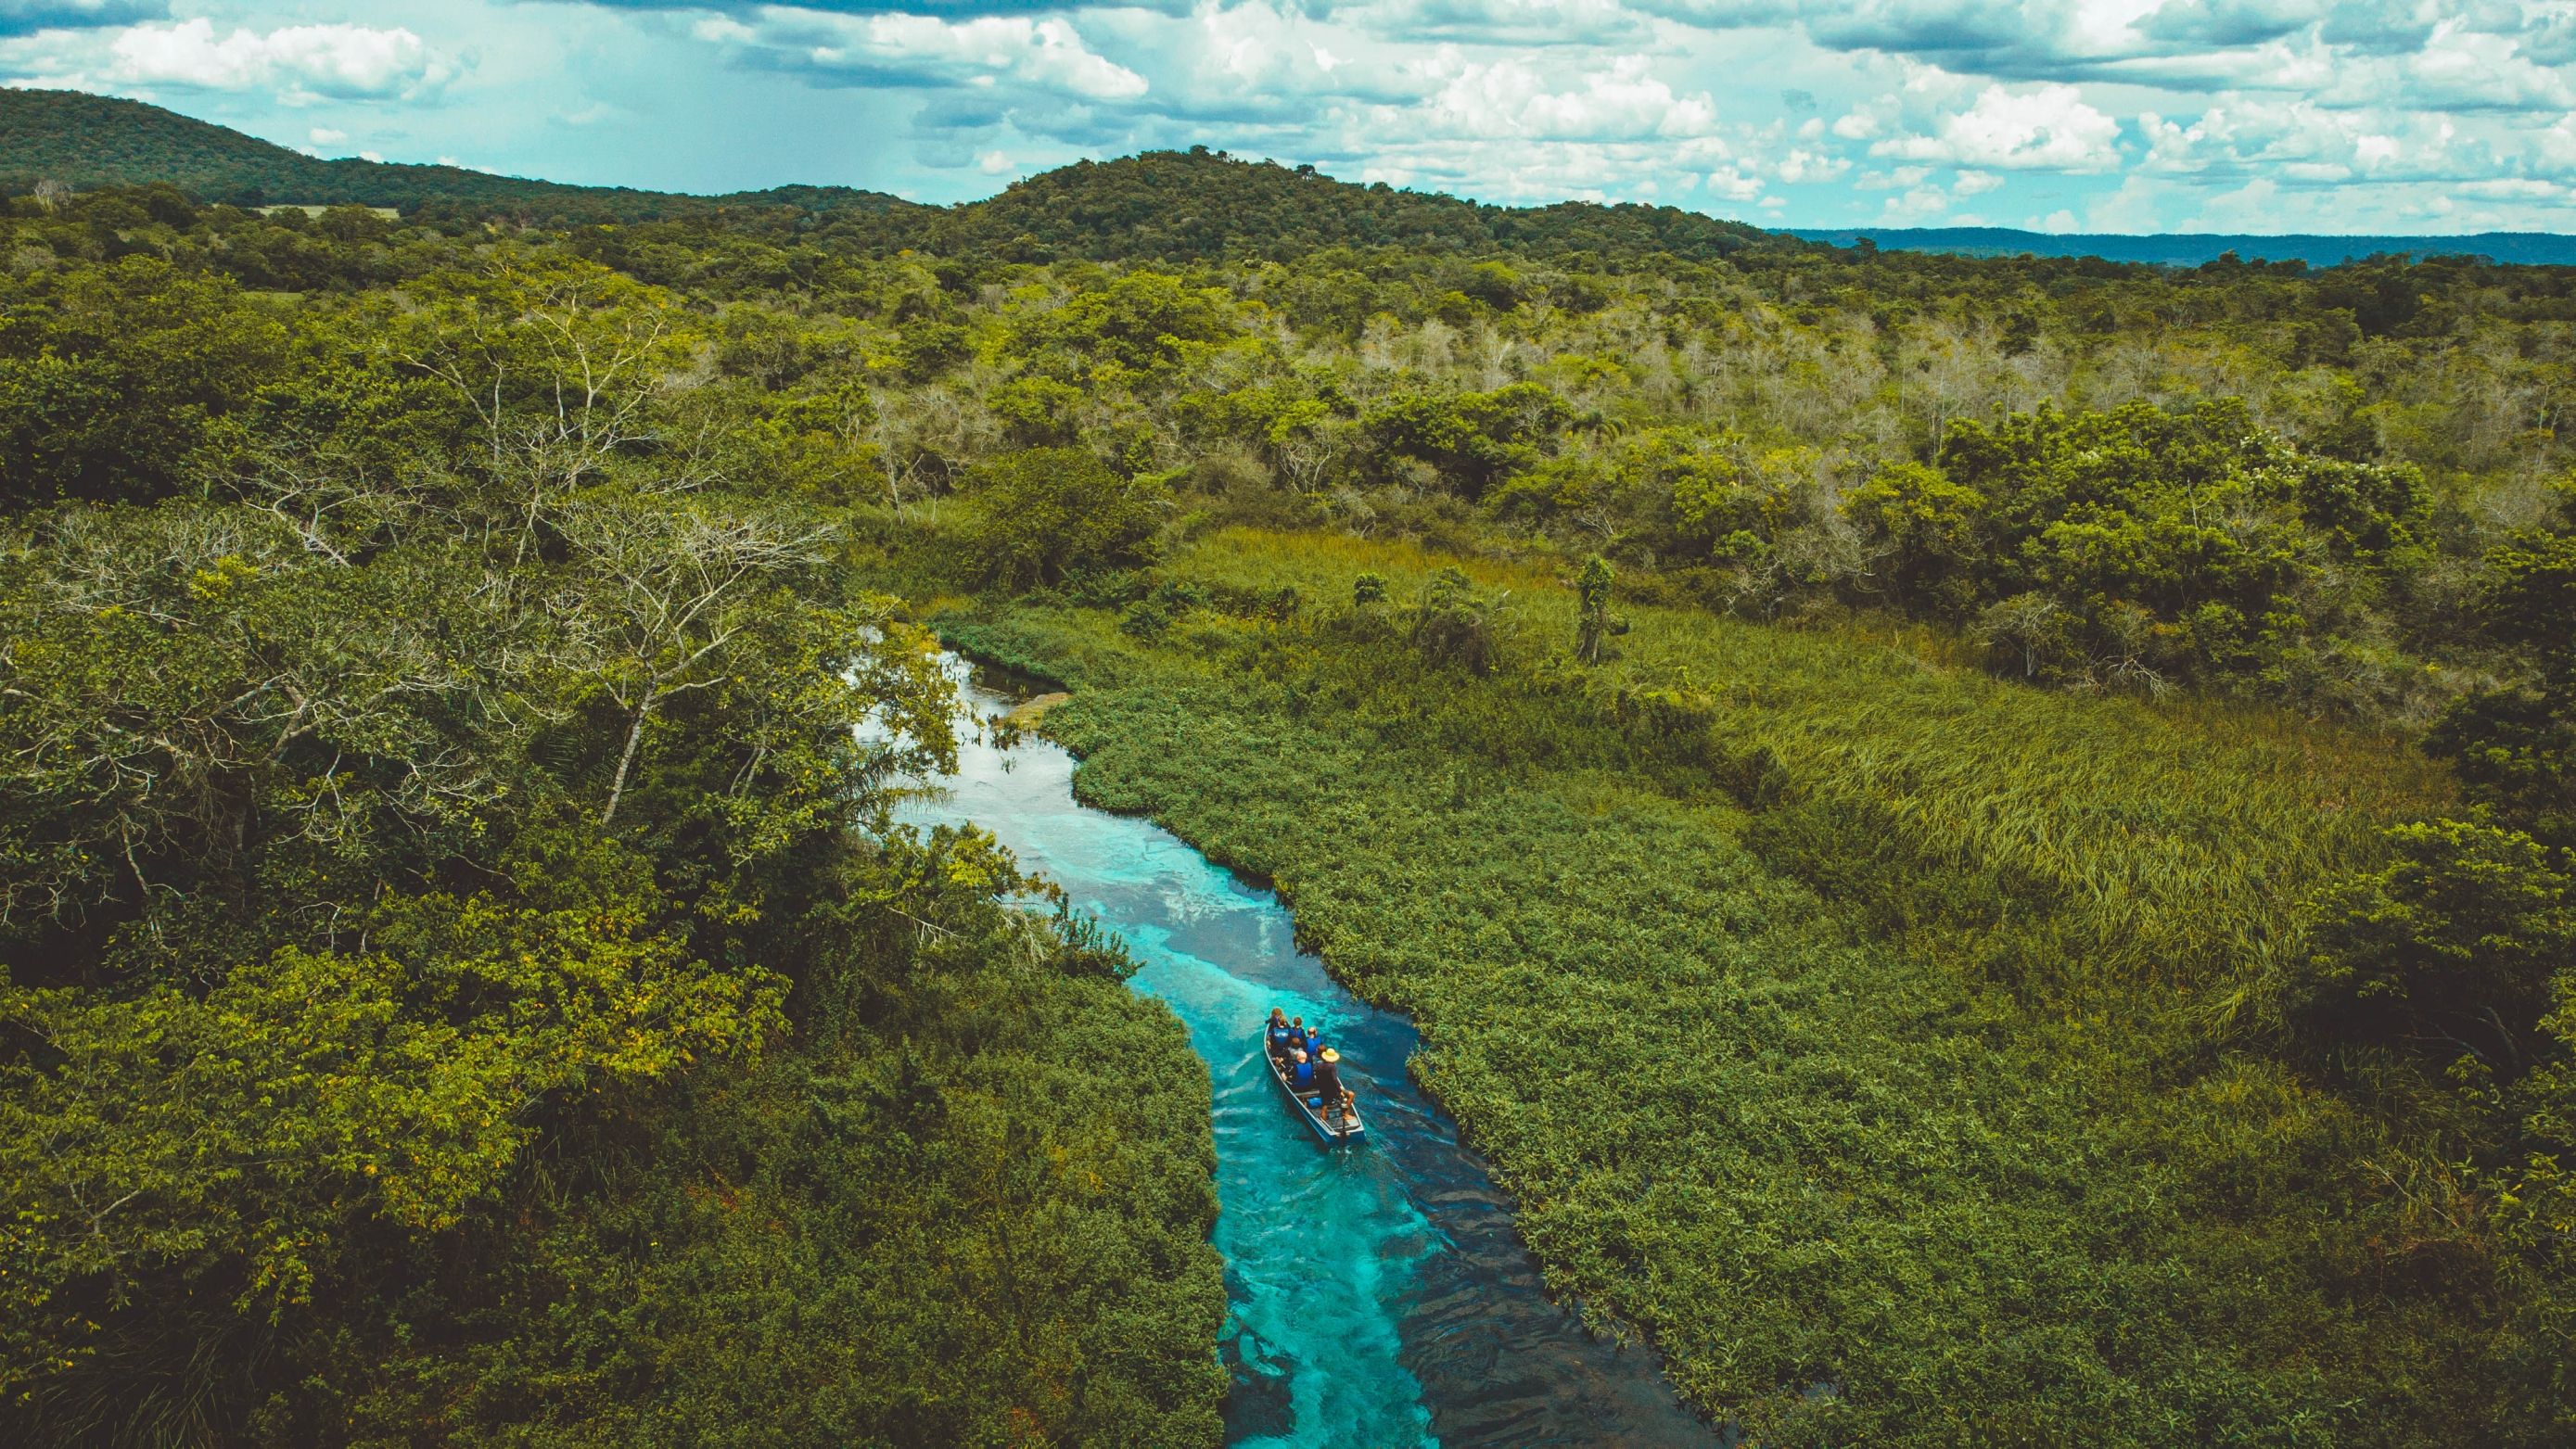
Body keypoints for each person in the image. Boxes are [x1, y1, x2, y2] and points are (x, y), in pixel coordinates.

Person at [1313, 1048, 1347, 1128]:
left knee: (1324, 1105)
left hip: (1322, 1087)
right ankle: (1346, 1115)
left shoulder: (1318, 1064)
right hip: (1331, 1089)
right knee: (1350, 1095)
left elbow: (1315, 1073)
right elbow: (1335, 1080)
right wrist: (1340, 1090)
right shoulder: (1332, 1067)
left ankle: (1323, 1122)